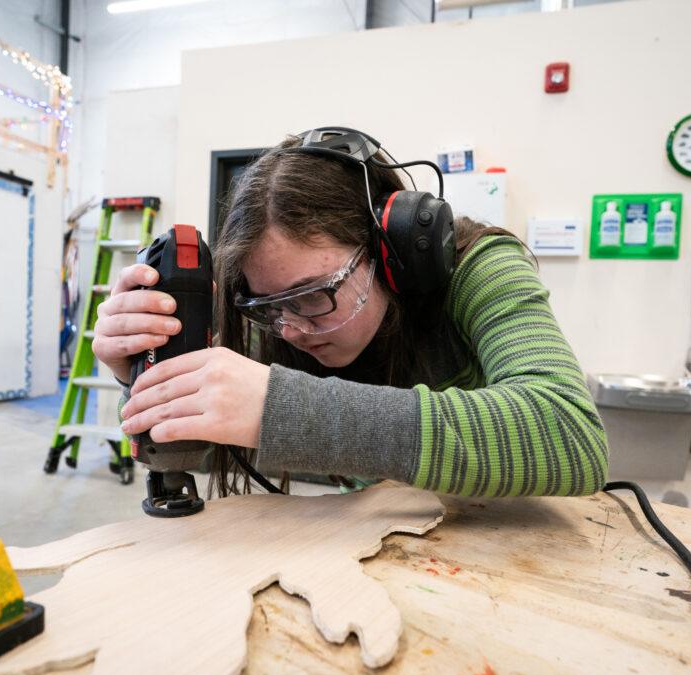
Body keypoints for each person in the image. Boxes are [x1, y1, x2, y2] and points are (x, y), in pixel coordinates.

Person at [93, 127, 608, 498]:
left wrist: (281, 409)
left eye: (314, 294)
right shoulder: (281, 322)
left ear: (390, 250)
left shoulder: (480, 269)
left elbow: (569, 435)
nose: (291, 328)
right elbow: (201, 442)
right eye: (266, 306)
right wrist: (147, 369)